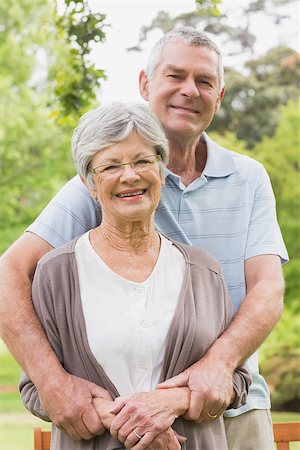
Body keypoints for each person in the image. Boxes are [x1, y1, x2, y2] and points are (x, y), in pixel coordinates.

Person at [0, 26, 287, 450]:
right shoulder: (103, 182)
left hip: (233, 404)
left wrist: (218, 366)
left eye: (204, 81)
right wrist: (53, 382)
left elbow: (267, 287)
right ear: (145, 84)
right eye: (175, 76)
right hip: (120, 422)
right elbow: (10, 272)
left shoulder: (248, 178)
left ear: (219, 96)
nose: (190, 90)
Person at [19, 101, 251, 450]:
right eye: (111, 166)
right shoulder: (56, 273)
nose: (130, 176)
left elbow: (237, 381)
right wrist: (135, 423)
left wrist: (171, 403)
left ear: (160, 171)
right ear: (90, 183)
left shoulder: (205, 272)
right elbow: (37, 388)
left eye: (143, 161)